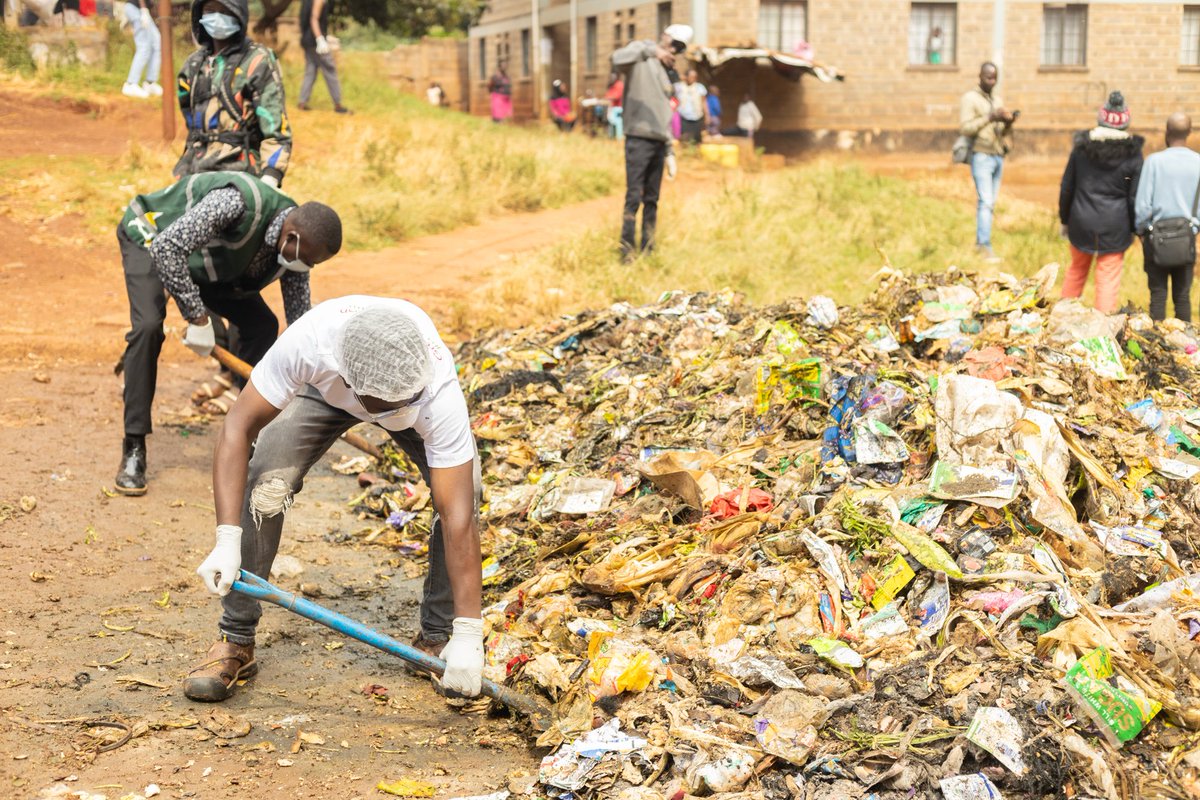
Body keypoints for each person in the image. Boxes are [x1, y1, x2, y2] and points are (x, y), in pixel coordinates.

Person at [184, 296, 484, 704]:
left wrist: (470, 630)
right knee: (266, 483)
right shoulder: (307, 347)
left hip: (410, 395)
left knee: (469, 490)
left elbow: (457, 514)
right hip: (325, 394)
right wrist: (225, 538)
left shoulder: (433, 389)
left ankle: (439, 638)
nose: (400, 410)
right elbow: (237, 427)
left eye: (407, 401)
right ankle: (235, 637)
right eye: (389, 407)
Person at [114, 172, 342, 496]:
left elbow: (300, 324)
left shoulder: (294, 251)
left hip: (202, 266)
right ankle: (134, 446)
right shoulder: (237, 204)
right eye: (308, 261)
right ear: (291, 238)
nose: (307, 269)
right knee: (148, 327)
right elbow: (167, 249)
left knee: (261, 326)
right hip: (153, 236)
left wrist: (326, 385)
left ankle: (243, 434)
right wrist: (197, 317)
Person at [175, 0, 292, 187]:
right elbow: (191, 126)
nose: (217, 16)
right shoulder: (193, 66)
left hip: (242, 174)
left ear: (239, 14)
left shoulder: (257, 61)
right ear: (199, 14)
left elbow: (275, 127)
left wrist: (271, 175)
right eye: (210, 10)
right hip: (195, 173)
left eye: (225, 10)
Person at [612, 23, 692, 259]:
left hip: (659, 141)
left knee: (652, 199)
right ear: (664, 37)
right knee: (634, 196)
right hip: (638, 138)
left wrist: (669, 151)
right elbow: (616, 58)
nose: (674, 51)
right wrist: (652, 51)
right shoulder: (641, 55)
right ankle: (626, 249)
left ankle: (648, 247)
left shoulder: (667, 73)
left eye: (680, 48)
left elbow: (665, 114)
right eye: (673, 44)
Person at [1059, 91, 1144, 315]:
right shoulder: (1133, 154)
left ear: (1101, 118)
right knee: (1107, 279)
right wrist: (1135, 229)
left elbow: (1067, 187)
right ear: (1125, 122)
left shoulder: (1081, 148)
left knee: (1076, 270)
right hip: (1115, 226)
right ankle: (1103, 330)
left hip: (1080, 221)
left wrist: (1065, 220)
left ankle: (1062, 318)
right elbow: (1134, 197)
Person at [1135, 113, 1200, 322]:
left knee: (1158, 295)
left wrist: (1142, 231)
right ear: (1189, 133)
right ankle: (1188, 346)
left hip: (1156, 238)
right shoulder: (1198, 162)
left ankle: (1158, 344)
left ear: (1167, 132)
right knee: (1182, 297)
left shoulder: (1154, 162)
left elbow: (1143, 205)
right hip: (1186, 237)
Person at [960, 62, 1017, 260]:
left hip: (997, 155)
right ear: (980, 76)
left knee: (990, 202)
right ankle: (983, 245)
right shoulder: (970, 99)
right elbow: (966, 128)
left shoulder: (996, 99)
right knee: (985, 201)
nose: (991, 81)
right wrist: (990, 116)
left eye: (994, 78)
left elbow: (1001, 132)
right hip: (981, 155)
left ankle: (982, 242)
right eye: (988, 77)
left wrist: (1008, 123)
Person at [298, 0, 349, 114]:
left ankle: (302, 102)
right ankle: (338, 104)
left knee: (310, 71)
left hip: (306, 40)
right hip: (316, 42)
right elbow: (314, 19)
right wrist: (320, 39)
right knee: (330, 69)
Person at [121, 0, 161, 99]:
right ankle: (130, 84)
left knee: (157, 42)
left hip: (141, 10)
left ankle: (150, 82)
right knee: (144, 46)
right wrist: (143, 9)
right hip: (136, 8)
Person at [675, 69, 707, 145]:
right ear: (686, 77)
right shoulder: (679, 87)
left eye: (695, 77)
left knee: (696, 141)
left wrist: (707, 115)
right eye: (691, 76)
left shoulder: (700, 87)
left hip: (697, 117)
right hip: (683, 118)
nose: (693, 79)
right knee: (685, 140)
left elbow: (704, 102)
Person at [604, 72, 624, 139]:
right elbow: (607, 95)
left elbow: (617, 96)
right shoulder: (612, 85)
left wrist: (610, 97)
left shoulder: (619, 85)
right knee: (610, 120)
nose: (612, 78)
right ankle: (611, 136)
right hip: (612, 107)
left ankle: (619, 136)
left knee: (617, 121)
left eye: (613, 77)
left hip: (618, 107)